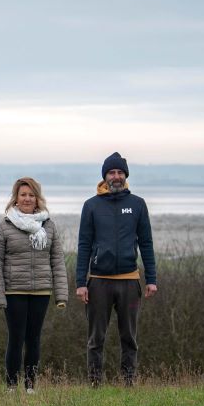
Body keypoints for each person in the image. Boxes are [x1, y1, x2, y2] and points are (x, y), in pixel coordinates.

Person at [76, 152, 157, 386]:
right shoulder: (91, 205)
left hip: (129, 281)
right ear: (105, 176)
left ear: (126, 176)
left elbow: (146, 243)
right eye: (111, 172)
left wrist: (151, 278)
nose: (116, 176)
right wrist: (80, 283)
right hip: (98, 281)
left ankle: (128, 382)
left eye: (120, 172)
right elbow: (84, 245)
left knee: (129, 337)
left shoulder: (137, 204)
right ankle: (95, 383)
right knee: (96, 338)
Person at [0, 177, 68, 393]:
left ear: (37, 198)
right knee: (16, 338)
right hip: (13, 291)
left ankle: (30, 386)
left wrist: (61, 295)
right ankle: (11, 386)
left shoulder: (49, 226)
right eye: (23, 194)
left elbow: (57, 261)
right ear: (15, 198)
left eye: (31, 195)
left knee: (34, 339)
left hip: (41, 291)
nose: (27, 199)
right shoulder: (4, 226)